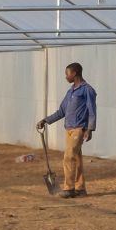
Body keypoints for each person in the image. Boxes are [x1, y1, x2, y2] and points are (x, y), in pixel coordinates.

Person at [36, 62, 97, 199]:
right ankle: (80, 189)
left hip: (79, 129)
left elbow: (92, 111)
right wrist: (45, 120)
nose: (65, 76)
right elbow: (61, 111)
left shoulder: (87, 90)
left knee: (68, 157)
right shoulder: (70, 92)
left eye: (67, 73)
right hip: (68, 130)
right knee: (77, 159)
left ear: (74, 73)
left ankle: (69, 188)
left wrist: (90, 129)